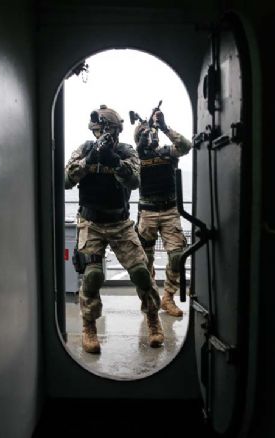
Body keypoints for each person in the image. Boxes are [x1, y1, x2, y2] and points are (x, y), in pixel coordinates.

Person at [65, 104, 164, 354]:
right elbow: (66, 180)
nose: (100, 134)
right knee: (92, 276)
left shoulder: (126, 151)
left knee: (141, 272)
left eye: (104, 130)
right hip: (91, 222)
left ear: (116, 131)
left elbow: (134, 180)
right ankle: (89, 326)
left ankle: (153, 318)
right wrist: (89, 161)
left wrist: (115, 162)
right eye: (97, 131)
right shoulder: (85, 149)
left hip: (120, 223)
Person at [134, 110, 192, 317]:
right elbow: (125, 173)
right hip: (147, 214)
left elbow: (186, 146)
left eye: (151, 133)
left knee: (177, 256)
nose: (150, 137)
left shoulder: (167, 153)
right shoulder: (135, 157)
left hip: (169, 212)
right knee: (144, 262)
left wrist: (165, 128)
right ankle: (150, 298)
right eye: (145, 134)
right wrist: (139, 149)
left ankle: (168, 298)